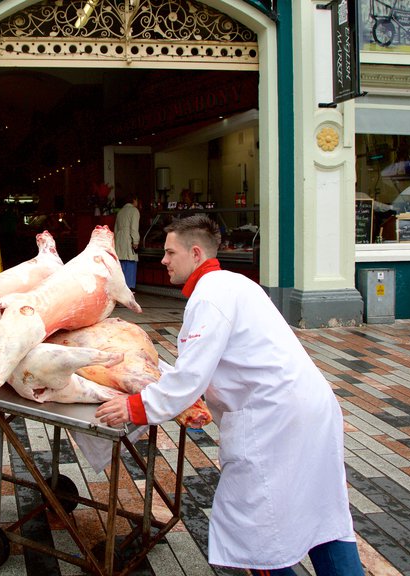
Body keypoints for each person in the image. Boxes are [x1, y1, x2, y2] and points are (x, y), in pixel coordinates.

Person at [95, 214, 364, 576]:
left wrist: (133, 406)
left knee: (259, 527)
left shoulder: (209, 298)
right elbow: (216, 363)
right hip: (309, 407)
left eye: (170, 253)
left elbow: (190, 378)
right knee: (322, 512)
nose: (163, 261)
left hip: (274, 420)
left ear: (194, 253)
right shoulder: (235, 284)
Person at [113, 194, 140, 290]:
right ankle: (129, 290)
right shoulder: (134, 211)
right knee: (130, 265)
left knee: (121, 267)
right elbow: (134, 228)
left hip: (119, 243)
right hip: (129, 242)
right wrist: (135, 241)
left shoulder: (120, 212)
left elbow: (115, 230)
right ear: (134, 200)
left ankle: (121, 290)